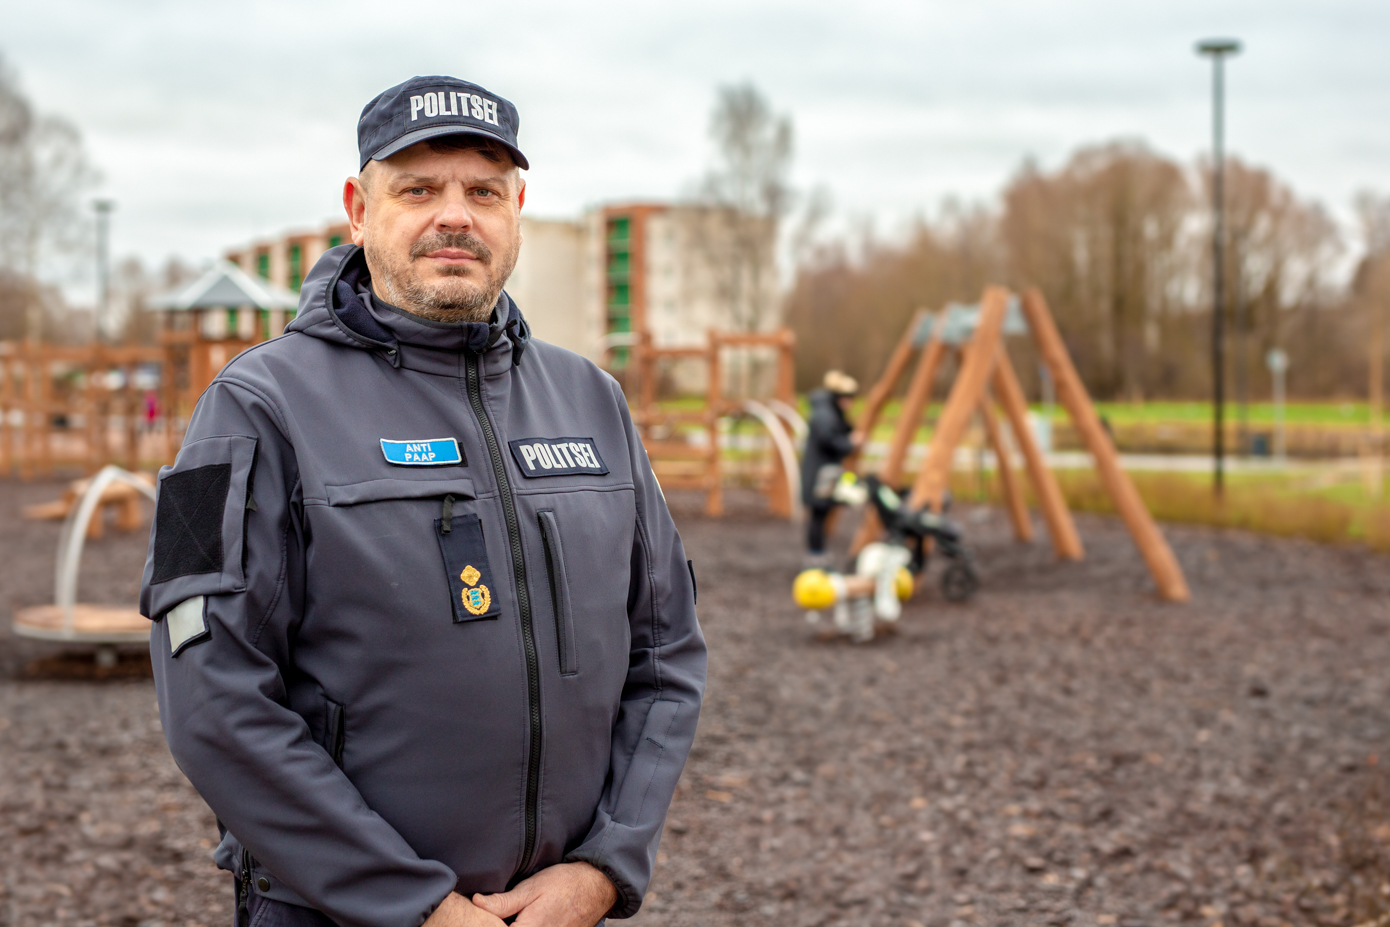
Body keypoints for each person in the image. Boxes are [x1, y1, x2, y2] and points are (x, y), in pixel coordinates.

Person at [140, 76, 706, 927]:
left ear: (517, 208)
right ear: (359, 209)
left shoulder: (594, 403)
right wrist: (417, 906)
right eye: (418, 188)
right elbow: (210, 699)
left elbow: (666, 658)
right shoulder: (254, 407)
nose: (455, 216)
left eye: (483, 191)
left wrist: (603, 867)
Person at [800, 370, 860, 560]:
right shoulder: (825, 415)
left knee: (821, 515)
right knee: (818, 516)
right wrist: (851, 444)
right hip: (819, 474)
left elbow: (842, 429)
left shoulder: (829, 412)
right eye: (847, 398)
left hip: (823, 472)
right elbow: (829, 440)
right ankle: (815, 555)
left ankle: (817, 552)